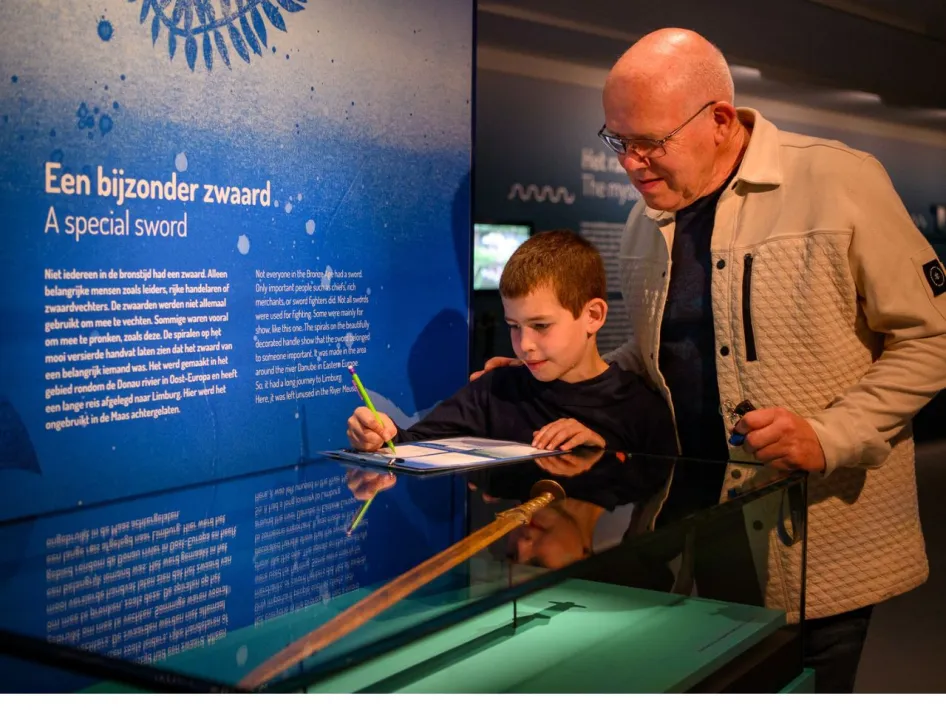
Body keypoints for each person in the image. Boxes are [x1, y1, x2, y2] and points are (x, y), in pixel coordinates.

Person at [480, 28, 946, 693]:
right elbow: (653, 360)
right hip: (687, 538)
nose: (631, 164)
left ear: (720, 121)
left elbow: (933, 336)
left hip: (815, 544)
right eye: (618, 142)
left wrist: (830, 434)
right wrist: (555, 378)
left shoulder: (841, 181)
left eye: (649, 143)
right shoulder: (647, 222)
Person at [346, 229, 677, 457]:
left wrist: (602, 453)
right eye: (514, 327)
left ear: (592, 315)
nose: (524, 345)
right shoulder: (495, 390)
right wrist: (381, 435)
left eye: (541, 326)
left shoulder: (641, 408)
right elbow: (414, 443)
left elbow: (663, 498)